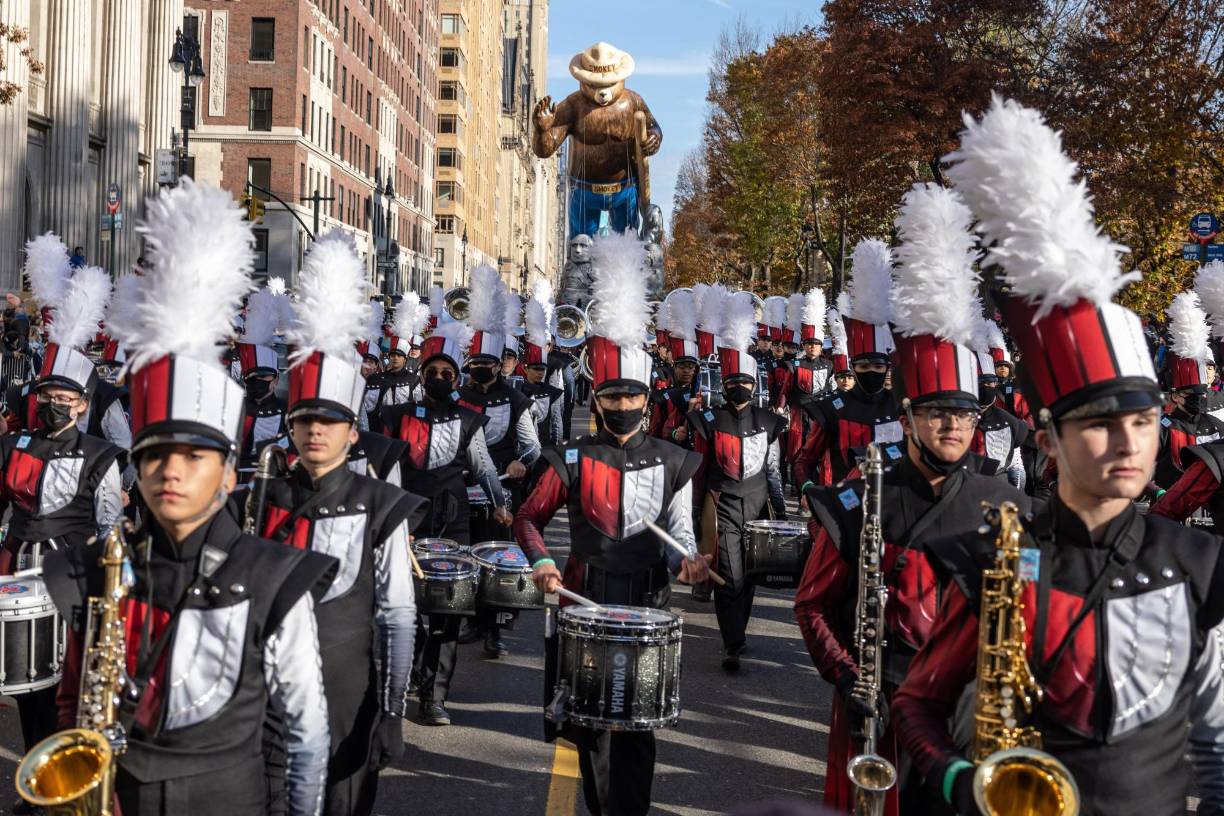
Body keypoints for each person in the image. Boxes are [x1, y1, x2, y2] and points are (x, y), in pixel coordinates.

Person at [892, 95, 1224, 816]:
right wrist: (959, 780)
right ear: (1046, 440)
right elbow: (917, 705)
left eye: (1142, 422)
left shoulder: (1200, 563)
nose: (1129, 444)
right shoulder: (991, 557)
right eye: (1101, 427)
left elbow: (1217, 737)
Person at [41, 179, 333, 816]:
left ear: (229, 475)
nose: (170, 471)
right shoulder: (100, 567)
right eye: (153, 456)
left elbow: (303, 736)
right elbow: (73, 701)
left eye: (194, 457)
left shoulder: (274, 577)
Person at [795, 183, 1028, 814]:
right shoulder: (858, 496)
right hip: (878, 695)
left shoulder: (1005, 504)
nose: (954, 426)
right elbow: (813, 605)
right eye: (937, 412)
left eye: (965, 414)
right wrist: (847, 676)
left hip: (966, 708)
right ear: (910, 415)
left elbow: (1030, 603)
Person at [515, 241, 710, 816]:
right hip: (584, 596)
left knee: (638, 728)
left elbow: (680, 532)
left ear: (647, 399)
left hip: (647, 601)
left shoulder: (675, 459)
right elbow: (529, 517)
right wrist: (543, 562)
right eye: (611, 395)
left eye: (631, 394)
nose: (622, 403)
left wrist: (690, 562)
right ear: (596, 402)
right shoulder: (571, 457)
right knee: (591, 726)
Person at [245, 234, 426, 815]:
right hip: (269, 692)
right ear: (290, 427)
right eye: (303, 420)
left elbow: (397, 610)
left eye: (329, 421)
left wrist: (394, 708)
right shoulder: (261, 491)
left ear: (353, 430)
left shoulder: (379, 500)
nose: (314, 431)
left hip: (350, 687)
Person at [381, 322, 510, 726]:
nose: (439, 379)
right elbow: (385, 468)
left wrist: (500, 503)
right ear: (422, 376)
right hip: (407, 515)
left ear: (456, 379)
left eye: (447, 374)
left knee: (448, 611)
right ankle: (413, 671)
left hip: (453, 517)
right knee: (403, 604)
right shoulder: (395, 415)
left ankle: (435, 697)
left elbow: (483, 466)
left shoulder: (468, 418)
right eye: (432, 373)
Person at [686, 293, 787, 670]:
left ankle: (738, 632)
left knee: (750, 575)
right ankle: (732, 642)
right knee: (729, 573)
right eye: (733, 382)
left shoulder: (768, 420)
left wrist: (779, 511)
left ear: (753, 383)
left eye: (745, 381)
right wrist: (696, 513)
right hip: (724, 503)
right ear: (724, 384)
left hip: (757, 503)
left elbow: (773, 468)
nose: (739, 387)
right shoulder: (709, 420)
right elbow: (699, 470)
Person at [455, 269, 541, 656]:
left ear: (501, 364)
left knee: (496, 557)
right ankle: (469, 618)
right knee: (464, 553)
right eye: (476, 362)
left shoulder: (516, 399)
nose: (482, 368)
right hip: (460, 486)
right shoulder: (456, 397)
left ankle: (495, 628)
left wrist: (523, 464)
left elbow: (532, 447)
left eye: (489, 363)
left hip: (503, 488)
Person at [792, 240, 905, 488]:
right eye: (863, 368)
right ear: (853, 368)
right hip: (844, 506)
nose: (871, 373)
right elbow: (805, 459)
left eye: (877, 367)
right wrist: (808, 489)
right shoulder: (833, 408)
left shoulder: (900, 407)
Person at [1154, 292, 1224, 489]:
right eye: (1191, 395)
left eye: (1201, 395)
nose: (1199, 400)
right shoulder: (1163, 428)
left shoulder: (1217, 425)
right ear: (1175, 396)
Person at [365, 295, 425, 434]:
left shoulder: (414, 380)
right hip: (378, 433)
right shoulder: (376, 379)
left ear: (405, 359)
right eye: (392, 355)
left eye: (399, 356)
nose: (395, 359)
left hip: (404, 432)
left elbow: (420, 407)